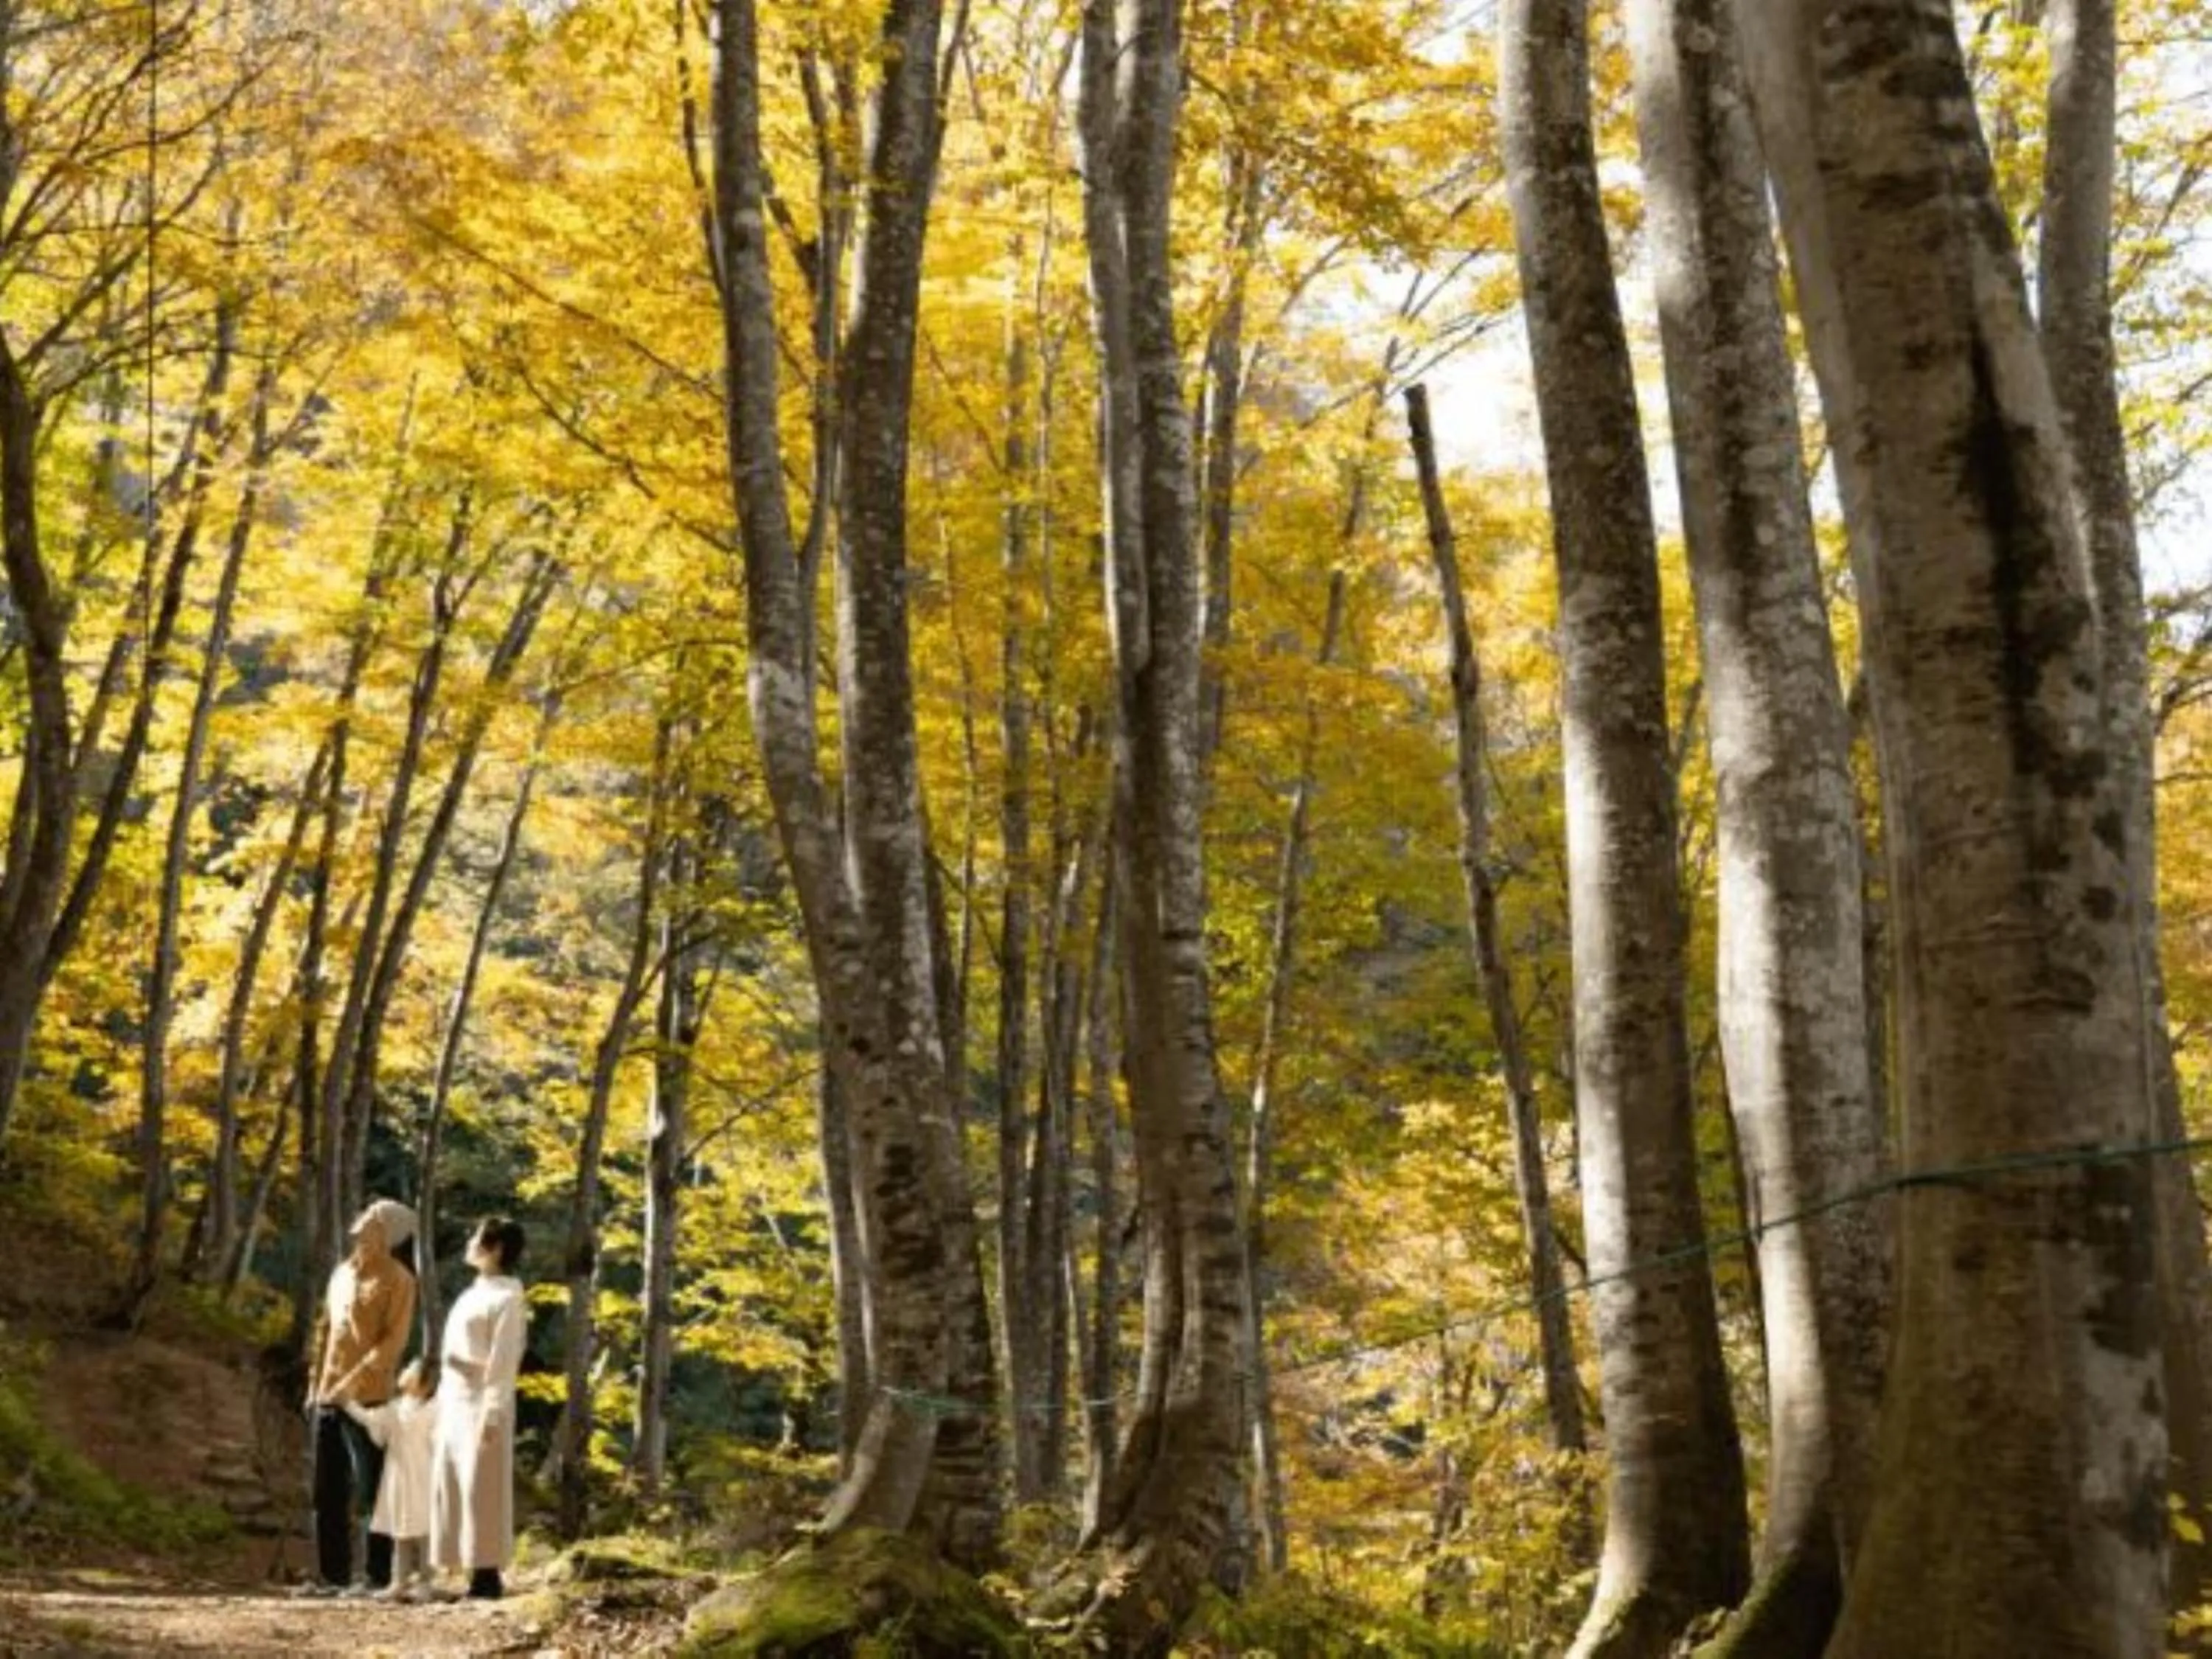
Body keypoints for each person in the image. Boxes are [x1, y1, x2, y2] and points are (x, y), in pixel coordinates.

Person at [303, 1198, 418, 1596]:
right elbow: (325, 1331)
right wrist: (314, 1386)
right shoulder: (341, 1273)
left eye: (372, 1218)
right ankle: (331, 1577)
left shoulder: (400, 1279)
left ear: (389, 1233)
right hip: (326, 1398)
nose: (361, 1220)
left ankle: (376, 1576)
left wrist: (351, 1383)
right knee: (325, 1490)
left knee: (371, 1491)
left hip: (370, 1400)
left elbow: (393, 1343)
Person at [431, 1215, 528, 1601]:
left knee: (482, 1486)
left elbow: (504, 1360)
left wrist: (493, 1409)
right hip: (454, 1399)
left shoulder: (508, 1297)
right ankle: (463, 1566)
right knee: (453, 1482)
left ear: (497, 1249)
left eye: (478, 1237)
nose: (470, 1241)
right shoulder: (472, 1293)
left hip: (481, 1399)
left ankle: (486, 1575)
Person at [341, 1359, 439, 1601]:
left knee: (425, 1529)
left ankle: (426, 1581)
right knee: (401, 1530)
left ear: (425, 1385)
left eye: (411, 1370)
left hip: (424, 1474)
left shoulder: (434, 1409)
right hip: (397, 1475)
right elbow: (370, 1419)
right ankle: (399, 1581)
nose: (403, 1372)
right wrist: (347, 1402)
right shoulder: (395, 1408)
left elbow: (442, 1439)